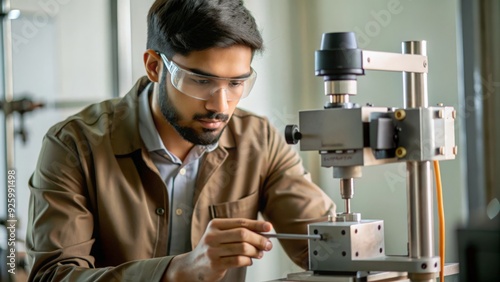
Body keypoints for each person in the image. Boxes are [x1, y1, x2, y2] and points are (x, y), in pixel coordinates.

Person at [26, 0, 335, 281]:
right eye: (202, 81)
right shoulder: (73, 146)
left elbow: (326, 249)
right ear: (154, 67)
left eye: (236, 83)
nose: (221, 105)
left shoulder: (259, 140)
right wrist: (176, 272)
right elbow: (53, 276)